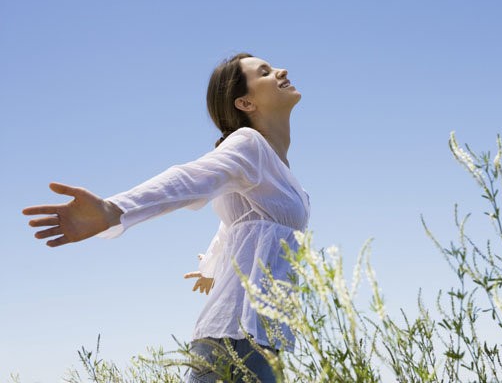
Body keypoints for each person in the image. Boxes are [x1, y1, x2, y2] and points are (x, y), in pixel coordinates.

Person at [22, 53, 310, 383]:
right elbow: (188, 178)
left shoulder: (281, 172)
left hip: (260, 335)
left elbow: (235, 221)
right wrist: (115, 210)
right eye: (265, 72)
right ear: (245, 102)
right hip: (238, 336)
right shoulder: (249, 145)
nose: (281, 70)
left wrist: (211, 266)